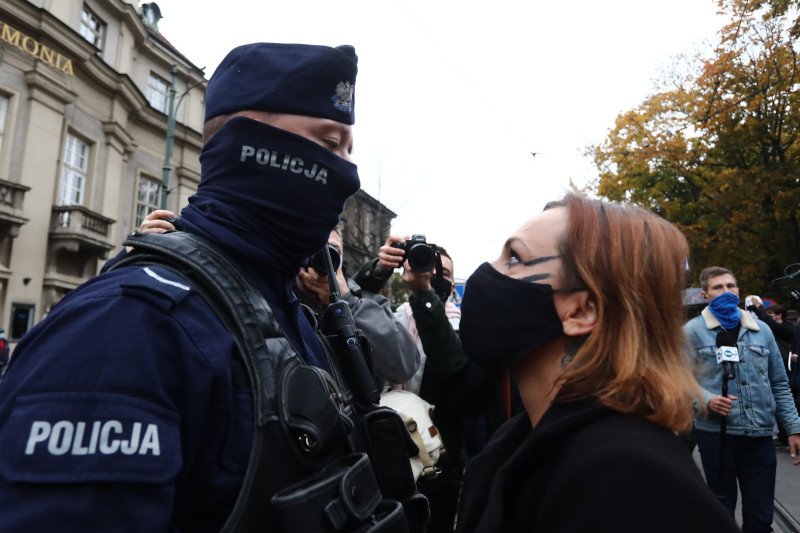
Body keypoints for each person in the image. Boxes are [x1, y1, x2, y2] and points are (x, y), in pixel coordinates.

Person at [0, 43, 416, 531]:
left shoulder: (285, 310)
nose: (348, 173)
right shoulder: (130, 325)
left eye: (349, 149)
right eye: (328, 145)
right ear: (249, 145)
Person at [455, 193, 738, 532]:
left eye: (514, 258)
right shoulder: (524, 435)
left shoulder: (628, 480)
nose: (488, 273)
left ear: (581, 310)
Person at [355, 241, 466, 533]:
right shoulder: (392, 318)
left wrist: (424, 293)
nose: (431, 274)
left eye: (442, 272)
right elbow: (351, 304)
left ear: (452, 284)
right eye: (425, 265)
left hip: (438, 466)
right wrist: (378, 271)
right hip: (387, 457)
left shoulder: (458, 327)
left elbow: (450, 364)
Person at [686, 266, 800, 532]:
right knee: (721, 513)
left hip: (760, 436)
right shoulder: (692, 331)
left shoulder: (762, 330)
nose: (726, 292)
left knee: (760, 516)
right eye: (718, 288)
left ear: (738, 290)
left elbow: (779, 384)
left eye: (731, 286)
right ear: (705, 294)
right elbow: (679, 381)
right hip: (717, 437)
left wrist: (794, 427)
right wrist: (707, 399)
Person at [293, 227, 421, 385]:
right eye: (317, 247)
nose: (325, 256)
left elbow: (405, 366)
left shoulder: (367, 301)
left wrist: (347, 301)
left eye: (333, 250)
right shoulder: (280, 299)